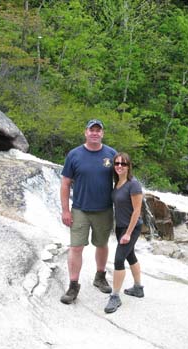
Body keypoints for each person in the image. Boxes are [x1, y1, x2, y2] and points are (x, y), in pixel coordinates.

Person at [60, 119, 116, 305]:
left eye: (98, 130)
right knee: (76, 247)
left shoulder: (111, 154)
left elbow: (121, 180)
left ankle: (100, 276)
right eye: (91, 130)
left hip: (104, 209)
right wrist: (65, 210)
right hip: (80, 210)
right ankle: (73, 285)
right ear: (85, 133)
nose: (94, 133)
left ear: (102, 133)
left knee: (102, 244)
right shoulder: (74, 155)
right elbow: (66, 183)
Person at [104, 152, 144, 314]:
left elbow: (136, 211)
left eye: (123, 164)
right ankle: (138, 288)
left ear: (129, 166)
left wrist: (128, 233)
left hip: (131, 228)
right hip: (120, 226)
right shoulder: (117, 182)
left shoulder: (133, 184)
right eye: (117, 163)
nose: (120, 166)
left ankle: (115, 296)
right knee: (130, 256)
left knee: (119, 260)